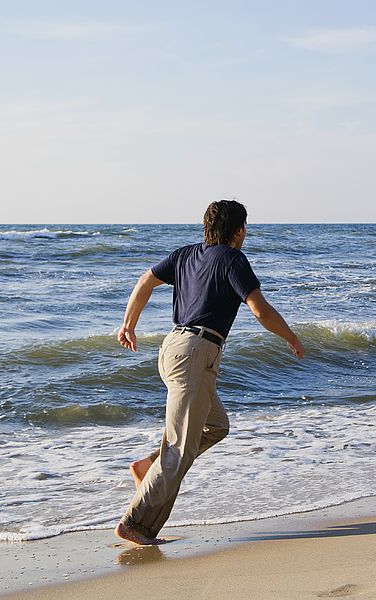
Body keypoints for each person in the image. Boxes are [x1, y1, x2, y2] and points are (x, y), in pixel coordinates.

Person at [114, 199, 305, 546]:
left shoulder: (183, 255)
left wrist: (128, 325)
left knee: (216, 426)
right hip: (196, 354)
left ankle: (150, 468)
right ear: (238, 230)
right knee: (179, 449)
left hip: (174, 348)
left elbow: (144, 281)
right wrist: (291, 337)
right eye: (245, 229)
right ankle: (135, 524)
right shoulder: (232, 259)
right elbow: (260, 310)